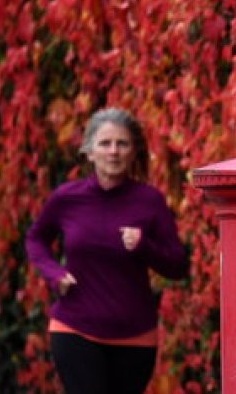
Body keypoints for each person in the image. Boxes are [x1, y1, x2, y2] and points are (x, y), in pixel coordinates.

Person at [25, 107, 188, 394]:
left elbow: (177, 266)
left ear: (134, 151)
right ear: (89, 151)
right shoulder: (67, 198)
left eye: (122, 144)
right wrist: (54, 273)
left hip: (135, 335)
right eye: (105, 143)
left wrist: (143, 247)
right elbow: (36, 239)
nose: (114, 151)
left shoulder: (149, 202)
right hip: (75, 327)